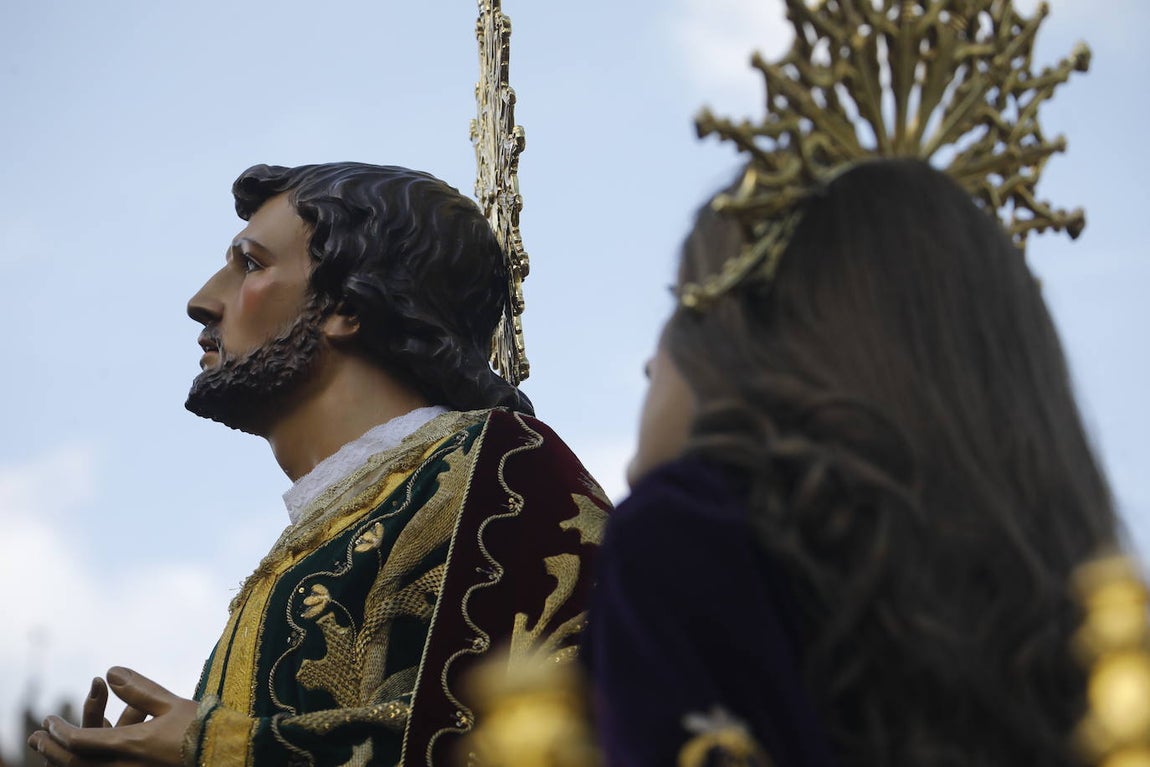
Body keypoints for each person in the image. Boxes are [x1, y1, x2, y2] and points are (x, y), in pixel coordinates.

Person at [585, 2, 1121, 764]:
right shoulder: (1081, 596)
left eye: (684, 308)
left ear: (763, 337)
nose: (651, 360)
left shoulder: (681, 541)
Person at [28, 162, 609, 767]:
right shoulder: (308, 545)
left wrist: (221, 750)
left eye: (249, 264)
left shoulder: (503, 473)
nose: (201, 302)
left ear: (348, 306)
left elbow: (527, 737)